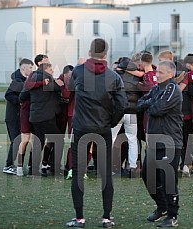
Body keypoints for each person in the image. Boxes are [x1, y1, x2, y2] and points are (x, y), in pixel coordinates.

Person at [66, 38, 127, 228]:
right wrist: (111, 121)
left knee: (78, 172)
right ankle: (106, 218)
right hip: (102, 128)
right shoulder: (113, 76)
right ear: (106, 54)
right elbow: (122, 104)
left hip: (82, 127)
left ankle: (79, 218)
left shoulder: (78, 71)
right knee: (106, 173)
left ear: (90, 51)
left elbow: (70, 89)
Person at [137, 61, 183, 227]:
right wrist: (151, 104)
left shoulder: (172, 89)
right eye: (158, 72)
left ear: (170, 74)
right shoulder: (157, 89)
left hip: (170, 141)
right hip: (155, 141)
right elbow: (140, 103)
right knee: (147, 175)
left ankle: (173, 215)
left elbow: (158, 109)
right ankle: (162, 207)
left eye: (161, 72)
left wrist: (150, 104)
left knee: (168, 180)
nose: (157, 75)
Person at [3, 58, 34, 175]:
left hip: (19, 116)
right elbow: (8, 95)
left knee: (19, 140)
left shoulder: (23, 80)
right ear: (23, 67)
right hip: (13, 117)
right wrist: (20, 102)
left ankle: (12, 164)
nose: (31, 70)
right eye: (30, 67)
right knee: (15, 140)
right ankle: (8, 165)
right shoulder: (17, 81)